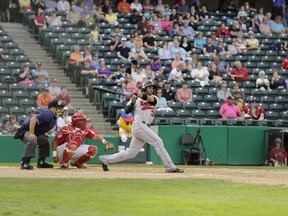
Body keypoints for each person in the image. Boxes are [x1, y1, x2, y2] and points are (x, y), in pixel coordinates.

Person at [99, 80, 184, 173]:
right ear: (144, 88)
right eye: (149, 87)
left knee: (131, 153)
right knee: (158, 142)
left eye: (152, 88)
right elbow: (127, 111)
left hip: (144, 127)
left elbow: (151, 100)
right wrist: (132, 101)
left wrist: (137, 94)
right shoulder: (136, 99)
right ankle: (170, 166)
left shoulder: (154, 98)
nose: (151, 89)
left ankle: (105, 159)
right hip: (138, 124)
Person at [14, 99, 65, 170]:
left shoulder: (53, 116)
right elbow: (33, 120)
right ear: (53, 107)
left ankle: (41, 162)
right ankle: (25, 162)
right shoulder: (48, 113)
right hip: (25, 130)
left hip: (35, 132)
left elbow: (40, 125)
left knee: (44, 141)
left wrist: (43, 133)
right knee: (32, 140)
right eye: (59, 107)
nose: (61, 109)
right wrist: (31, 133)